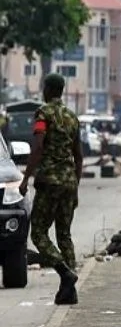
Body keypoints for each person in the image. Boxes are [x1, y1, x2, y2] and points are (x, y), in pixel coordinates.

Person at [19, 73, 82, 305]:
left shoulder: (42, 113)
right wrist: (75, 188)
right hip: (69, 183)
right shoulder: (73, 118)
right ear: (62, 91)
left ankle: (65, 272)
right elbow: (79, 157)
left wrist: (25, 179)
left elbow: (38, 147)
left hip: (49, 183)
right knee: (64, 235)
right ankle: (70, 291)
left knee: (38, 232)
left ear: (47, 90)